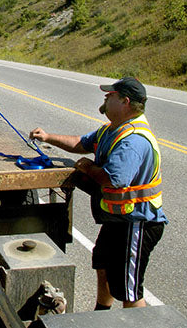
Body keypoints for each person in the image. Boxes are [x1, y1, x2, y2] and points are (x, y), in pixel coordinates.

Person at [29, 76, 167, 310]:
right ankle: (101, 313)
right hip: (120, 219)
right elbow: (80, 143)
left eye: (110, 95)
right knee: (102, 262)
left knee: (129, 289)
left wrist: (86, 167)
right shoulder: (111, 130)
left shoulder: (133, 139)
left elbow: (114, 179)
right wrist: (48, 137)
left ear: (125, 101)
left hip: (138, 223)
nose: (105, 98)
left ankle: (134, 325)